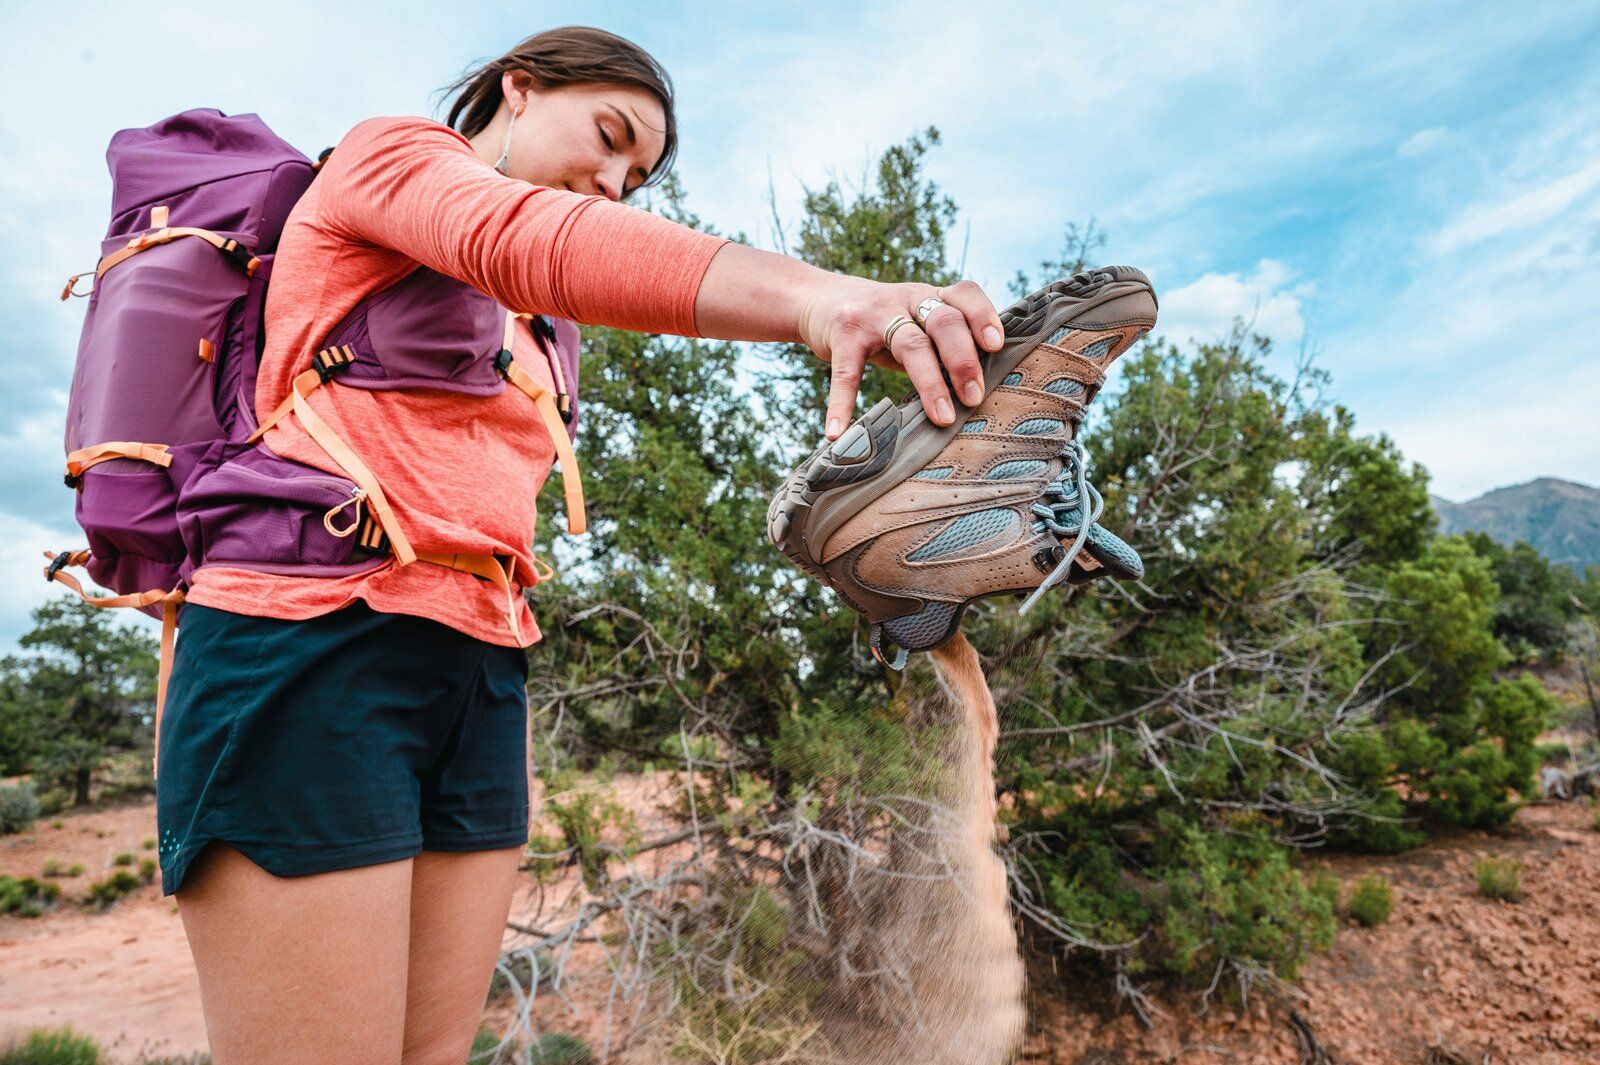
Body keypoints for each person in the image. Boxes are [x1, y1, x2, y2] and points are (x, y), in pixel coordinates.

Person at [156, 25, 1005, 1064]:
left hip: (478, 662)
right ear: (519, 88)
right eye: (607, 137)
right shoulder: (394, 155)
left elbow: (561, 268)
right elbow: (526, 235)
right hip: (309, 633)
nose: (612, 181)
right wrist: (826, 301)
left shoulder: (546, 325)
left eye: (636, 175)